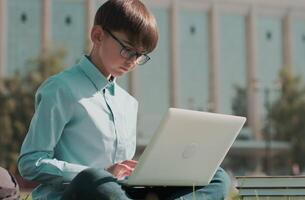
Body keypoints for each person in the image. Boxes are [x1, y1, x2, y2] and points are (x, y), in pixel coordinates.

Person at [18, 0, 231, 199]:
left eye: (140, 55)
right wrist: (101, 173)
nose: (132, 61)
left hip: (120, 191)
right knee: (93, 179)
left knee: (216, 175)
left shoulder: (128, 103)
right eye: (128, 49)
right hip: (81, 192)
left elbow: (120, 174)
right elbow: (31, 162)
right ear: (98, 35)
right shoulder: (61, 89)